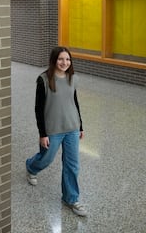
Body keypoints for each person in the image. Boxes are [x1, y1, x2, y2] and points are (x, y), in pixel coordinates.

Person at [25, 46, 88, 217]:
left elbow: (74, 102)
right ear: (54, 60)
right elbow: (38, 109)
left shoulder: (73, 78)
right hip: (52, 130)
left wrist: (80, 125)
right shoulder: (44, 80)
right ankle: (31, 167)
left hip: (72, 128)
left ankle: (71, 198)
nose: (64, 63)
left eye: (67, 59)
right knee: (46, 158)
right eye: (61, 59)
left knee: (72, 166)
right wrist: (42, 134)